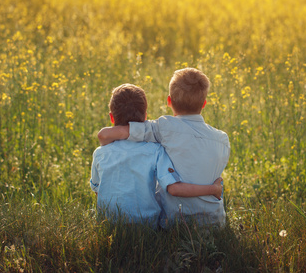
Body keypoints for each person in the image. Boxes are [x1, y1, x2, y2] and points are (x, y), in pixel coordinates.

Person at [98, 68, 230, 228]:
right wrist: (213, 189)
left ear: (169, 101)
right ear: (204, 104)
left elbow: (122, 132)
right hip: (214, 222)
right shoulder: (222, 140)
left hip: (174, 221)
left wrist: (105, 135)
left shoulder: (164, 127)